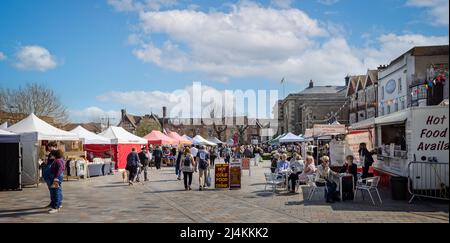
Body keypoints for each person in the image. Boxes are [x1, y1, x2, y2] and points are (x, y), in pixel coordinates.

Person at [44, 149, 65, 214]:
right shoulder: (60, 160)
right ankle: (56, 205)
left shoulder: (58, 161)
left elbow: (59, 170)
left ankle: (56, 207)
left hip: (56, 177)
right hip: (56, 177)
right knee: (56, 191)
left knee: (56, 192)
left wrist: (56, 178)